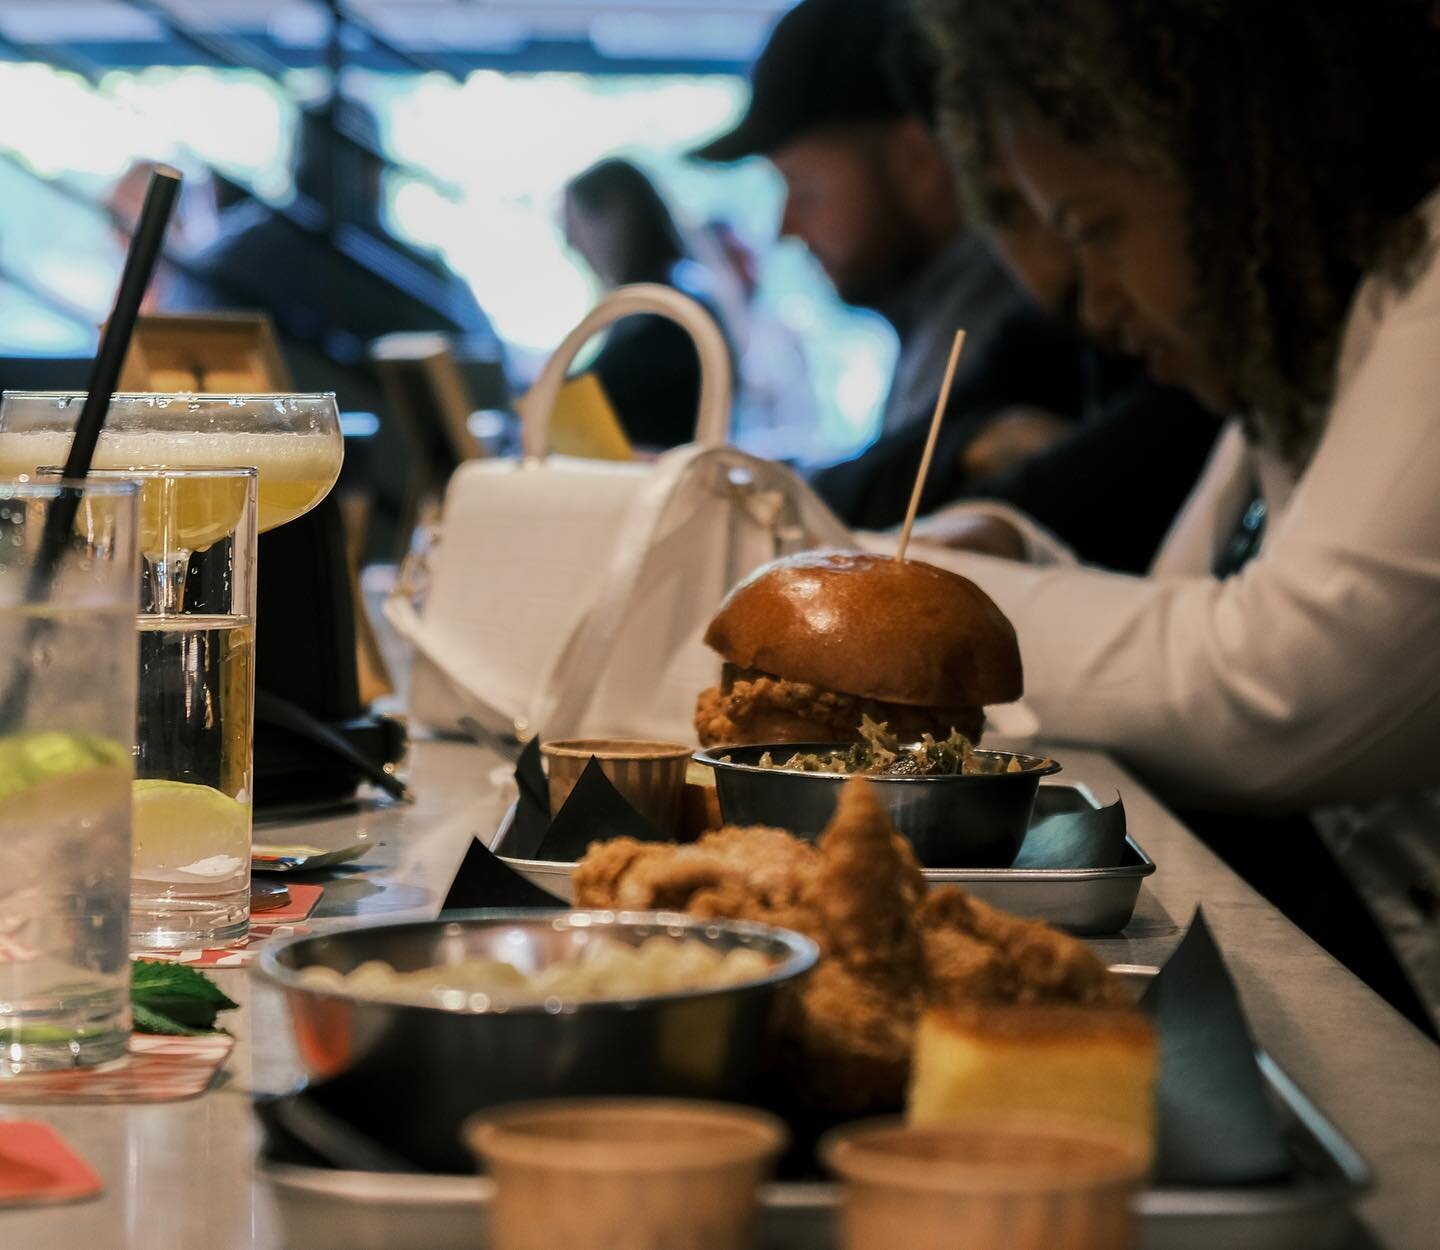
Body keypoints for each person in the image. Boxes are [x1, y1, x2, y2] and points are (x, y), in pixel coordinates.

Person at [907, 0, 1440, 1031]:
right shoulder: (1303, 359)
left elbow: (1276, 682)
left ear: (1241, 159)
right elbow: (1181, 615)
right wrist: (1022, 550)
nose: (1098, 306)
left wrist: (935, 603)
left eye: (1098, 229)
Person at [817, 171, 1220, 575]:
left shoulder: (1198, 376)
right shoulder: (1042, 327)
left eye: (1092, 225)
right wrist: (969, 444)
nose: (1065, 252)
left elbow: (1060, 507)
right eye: (1014, 214)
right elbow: (833, 499)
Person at [690, 0, 1028, 439]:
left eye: (806, 190)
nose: (785, 229)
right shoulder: (939, 317)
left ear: (918, 161)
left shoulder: (999, 334)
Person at [560, 157, 734, 449]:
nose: (571, 243)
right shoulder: (658, 301)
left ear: (616, 214)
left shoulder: (670, 305)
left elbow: (620, 388)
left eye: (574, 224)